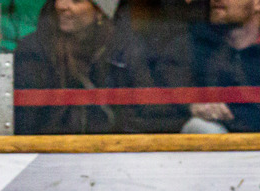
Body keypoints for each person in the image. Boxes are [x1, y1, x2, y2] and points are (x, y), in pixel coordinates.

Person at [13, 0, 161, 134]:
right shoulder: (34, 49)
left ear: (99, 11)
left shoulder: (126, 48)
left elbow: (145, 112)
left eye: (76, 1)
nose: (62, 6)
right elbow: (26, 119)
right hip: (49, 152)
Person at [156, 0, 260, 133]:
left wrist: (233, 114)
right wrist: (191, 107)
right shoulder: (188, 48)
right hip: (206, 149)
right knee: (201, 128)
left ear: (259, 2)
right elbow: (152, 110)